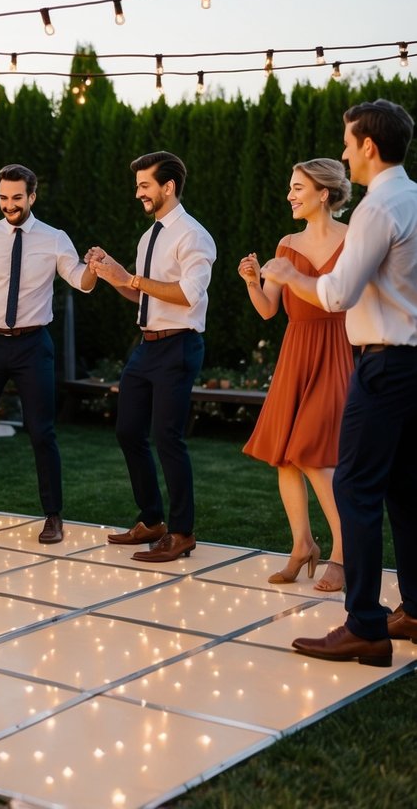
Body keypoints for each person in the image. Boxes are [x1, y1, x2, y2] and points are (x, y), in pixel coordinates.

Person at [262, 99, 417, 667]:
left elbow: (335, 295)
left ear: (369, 147)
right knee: (405, 489)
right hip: (413, 365)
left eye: (349, 143)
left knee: (355, 487)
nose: (345, 152)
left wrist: (285, 274)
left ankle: (365, 627)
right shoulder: (415, 198)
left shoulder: (378, 209)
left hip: (383, 364)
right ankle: (415, 610)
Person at [0, 164, 97, 543]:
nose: (9, 204)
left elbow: (79, 279)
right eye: (3, 197)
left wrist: (93, 270)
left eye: (16, 197)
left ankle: (53, 515)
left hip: (32, 345)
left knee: (42, 431)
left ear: (32, 196)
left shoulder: (54, 238)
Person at [88, 150, 216, 563]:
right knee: (128, 431)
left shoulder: (193, 236)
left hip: (179, 345)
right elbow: (139, 291)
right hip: (146, 346)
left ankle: (182, 532)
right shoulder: (150, 236)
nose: (138, 192)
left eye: (144, 185)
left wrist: (134, 278)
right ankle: (152, 521)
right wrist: (114, 274)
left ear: (168, 187)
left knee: (167, 438)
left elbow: (185, 294)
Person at [239, 159, 353, 593]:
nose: (290, 195)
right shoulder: (286, 244)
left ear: (323, 193)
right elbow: (269, 309)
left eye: (298, 187)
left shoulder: (354, 238)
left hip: (337, 347)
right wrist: (252, 281)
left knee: (311, 452)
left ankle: (344, 551)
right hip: (296, 350)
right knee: (284, 453)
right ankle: (302, 544)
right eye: (290, 187)